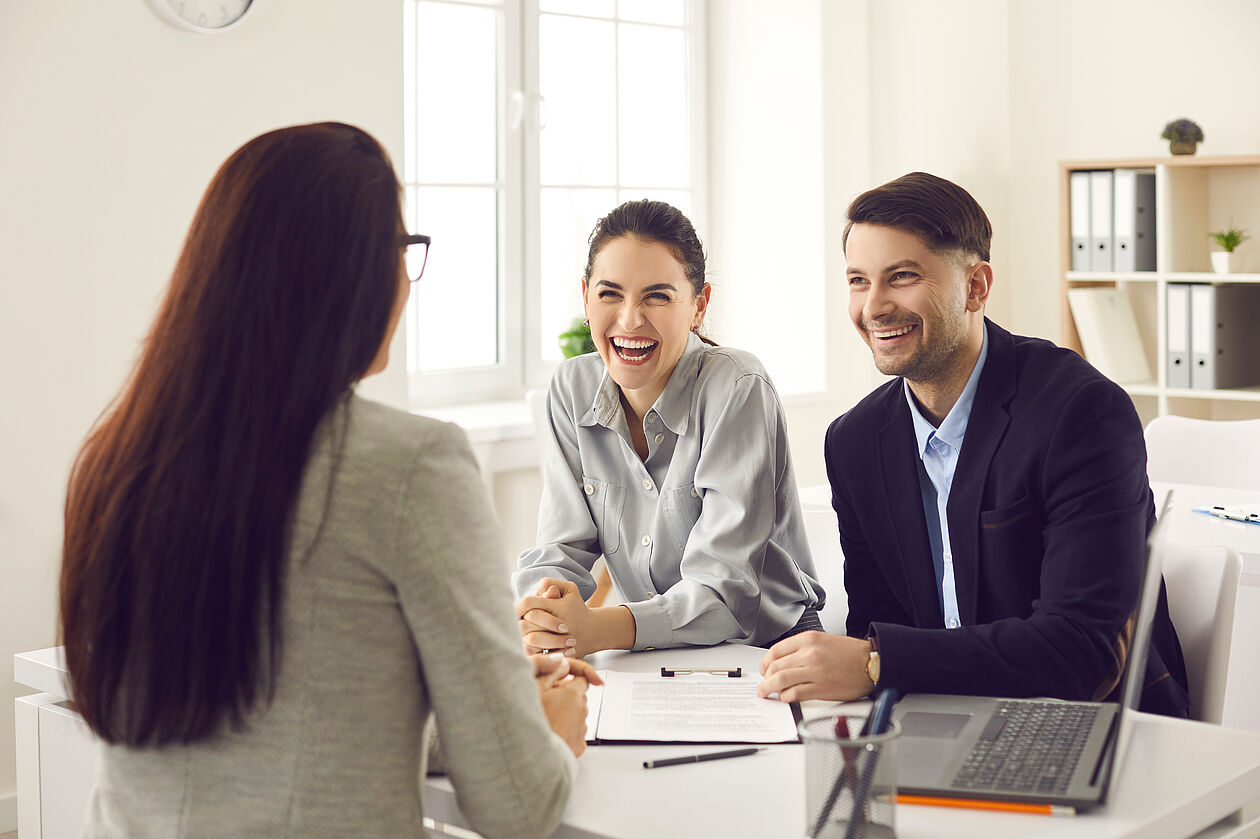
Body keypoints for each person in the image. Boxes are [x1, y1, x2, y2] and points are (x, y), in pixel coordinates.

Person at [59, 122, 596, 839]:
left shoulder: (118, 455)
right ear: (351, 276)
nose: (406, 281)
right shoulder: (411, 464)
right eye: (401, 250)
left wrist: (491, 702)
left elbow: (279, 714)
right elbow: (517, 805)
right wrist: (550, 729)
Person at [758, 172, 1189, 717]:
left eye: (902, 276)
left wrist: (876, 662)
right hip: (939, 716)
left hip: (1102, 727)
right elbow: (880, 621)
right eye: (858, 281)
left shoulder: (1081, 413)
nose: (873, 307)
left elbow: (1082, 653)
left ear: (977, 286)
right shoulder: (855, 442)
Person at [513, 199, 824, 657]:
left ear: (699, 306)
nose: (630, 319)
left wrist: (596, 629)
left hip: (766, 649)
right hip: (655, 649)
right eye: (609, 293)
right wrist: (545, 611)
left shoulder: (738, 387)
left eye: (657, 296)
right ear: (585, 297)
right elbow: (562, 547)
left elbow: (726, 590)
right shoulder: (571, 388)